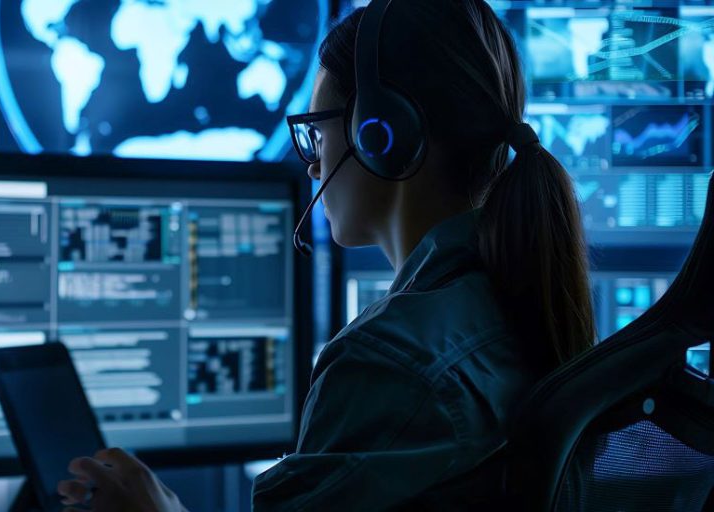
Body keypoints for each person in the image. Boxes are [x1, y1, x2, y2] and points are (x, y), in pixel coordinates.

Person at [58, 0, 596, 510]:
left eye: (317, 134)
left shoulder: (387, 363)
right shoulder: (514, 302)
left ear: (381, 135)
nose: (313, 167)